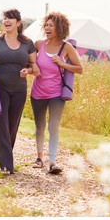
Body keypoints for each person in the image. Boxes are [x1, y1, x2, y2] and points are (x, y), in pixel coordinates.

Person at [0, 8, 39, 175]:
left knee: (12, 127)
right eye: (4, 18)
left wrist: (28, 71)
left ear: (18, 23)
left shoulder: (28, 43)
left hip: (19, 90)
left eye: (10, 18)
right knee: (1, 125)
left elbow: (34, 66)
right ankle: (6, 166)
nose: (6, 20)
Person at [30, 12, 83, 174]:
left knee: (53, 126)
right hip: (37, 92)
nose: (47, 27)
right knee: (40, 126)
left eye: (51, 25)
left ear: (59, 28)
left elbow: (80, 69)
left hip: (56, 94)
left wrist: (62, 63)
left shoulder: (66, 47)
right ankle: (39, 158)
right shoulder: (38, 44)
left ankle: (52, 161)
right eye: (46, 25)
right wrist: (32, 68)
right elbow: (29, 62)